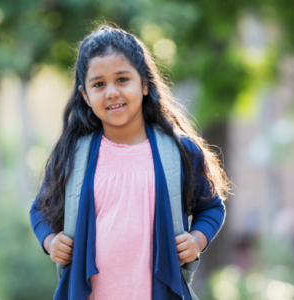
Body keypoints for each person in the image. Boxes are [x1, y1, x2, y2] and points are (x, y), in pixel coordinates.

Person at [29, 23, 231, 300]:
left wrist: (197, 240)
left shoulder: (179, 150)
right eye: (99, 84)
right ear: (86, 96)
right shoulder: (73, 155)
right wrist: (50, 241)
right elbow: (39, 210)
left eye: (122, 79)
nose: (111, 92)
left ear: (145, 84)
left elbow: (212, 207)